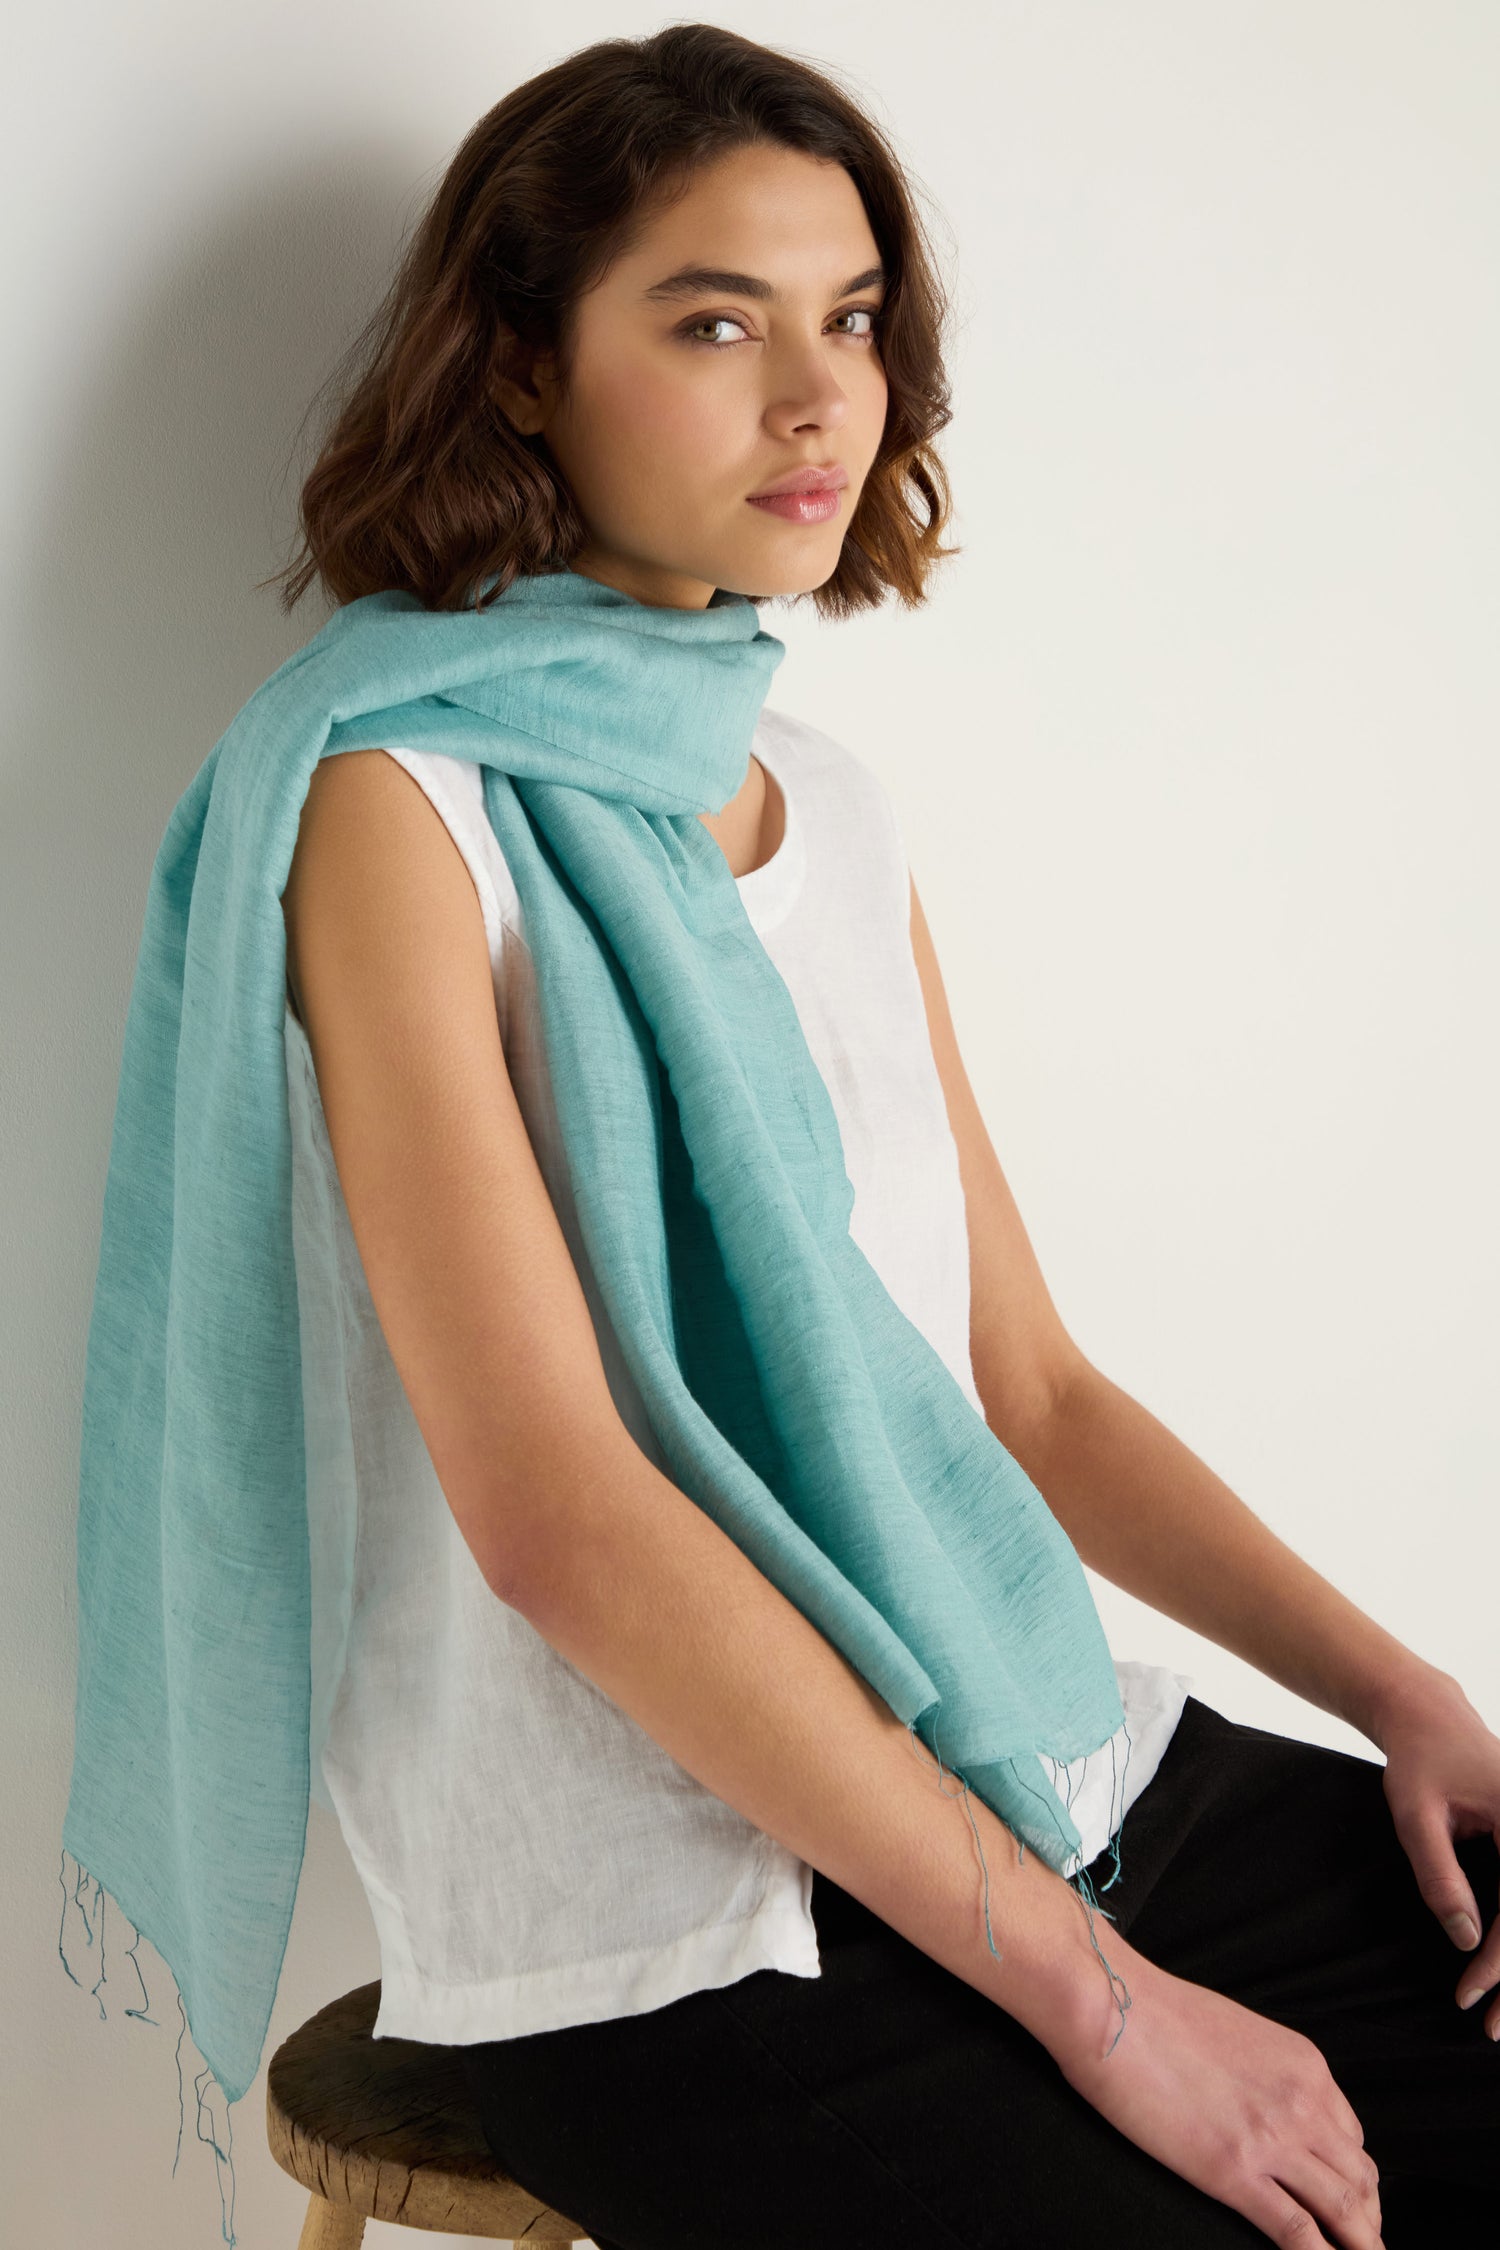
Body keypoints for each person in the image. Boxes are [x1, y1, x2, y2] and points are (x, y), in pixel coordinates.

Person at [270, 24, 1499, 2249]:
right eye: (715, 320)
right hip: (678, 1910)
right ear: (524, 368)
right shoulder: (395, 812)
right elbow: (558, 1524)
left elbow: (1021, 1396)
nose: (819, 393)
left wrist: (1412, 1698)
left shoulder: (821, 803)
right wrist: (1110, 2015)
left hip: (1035, 1765)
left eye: (850, 317)